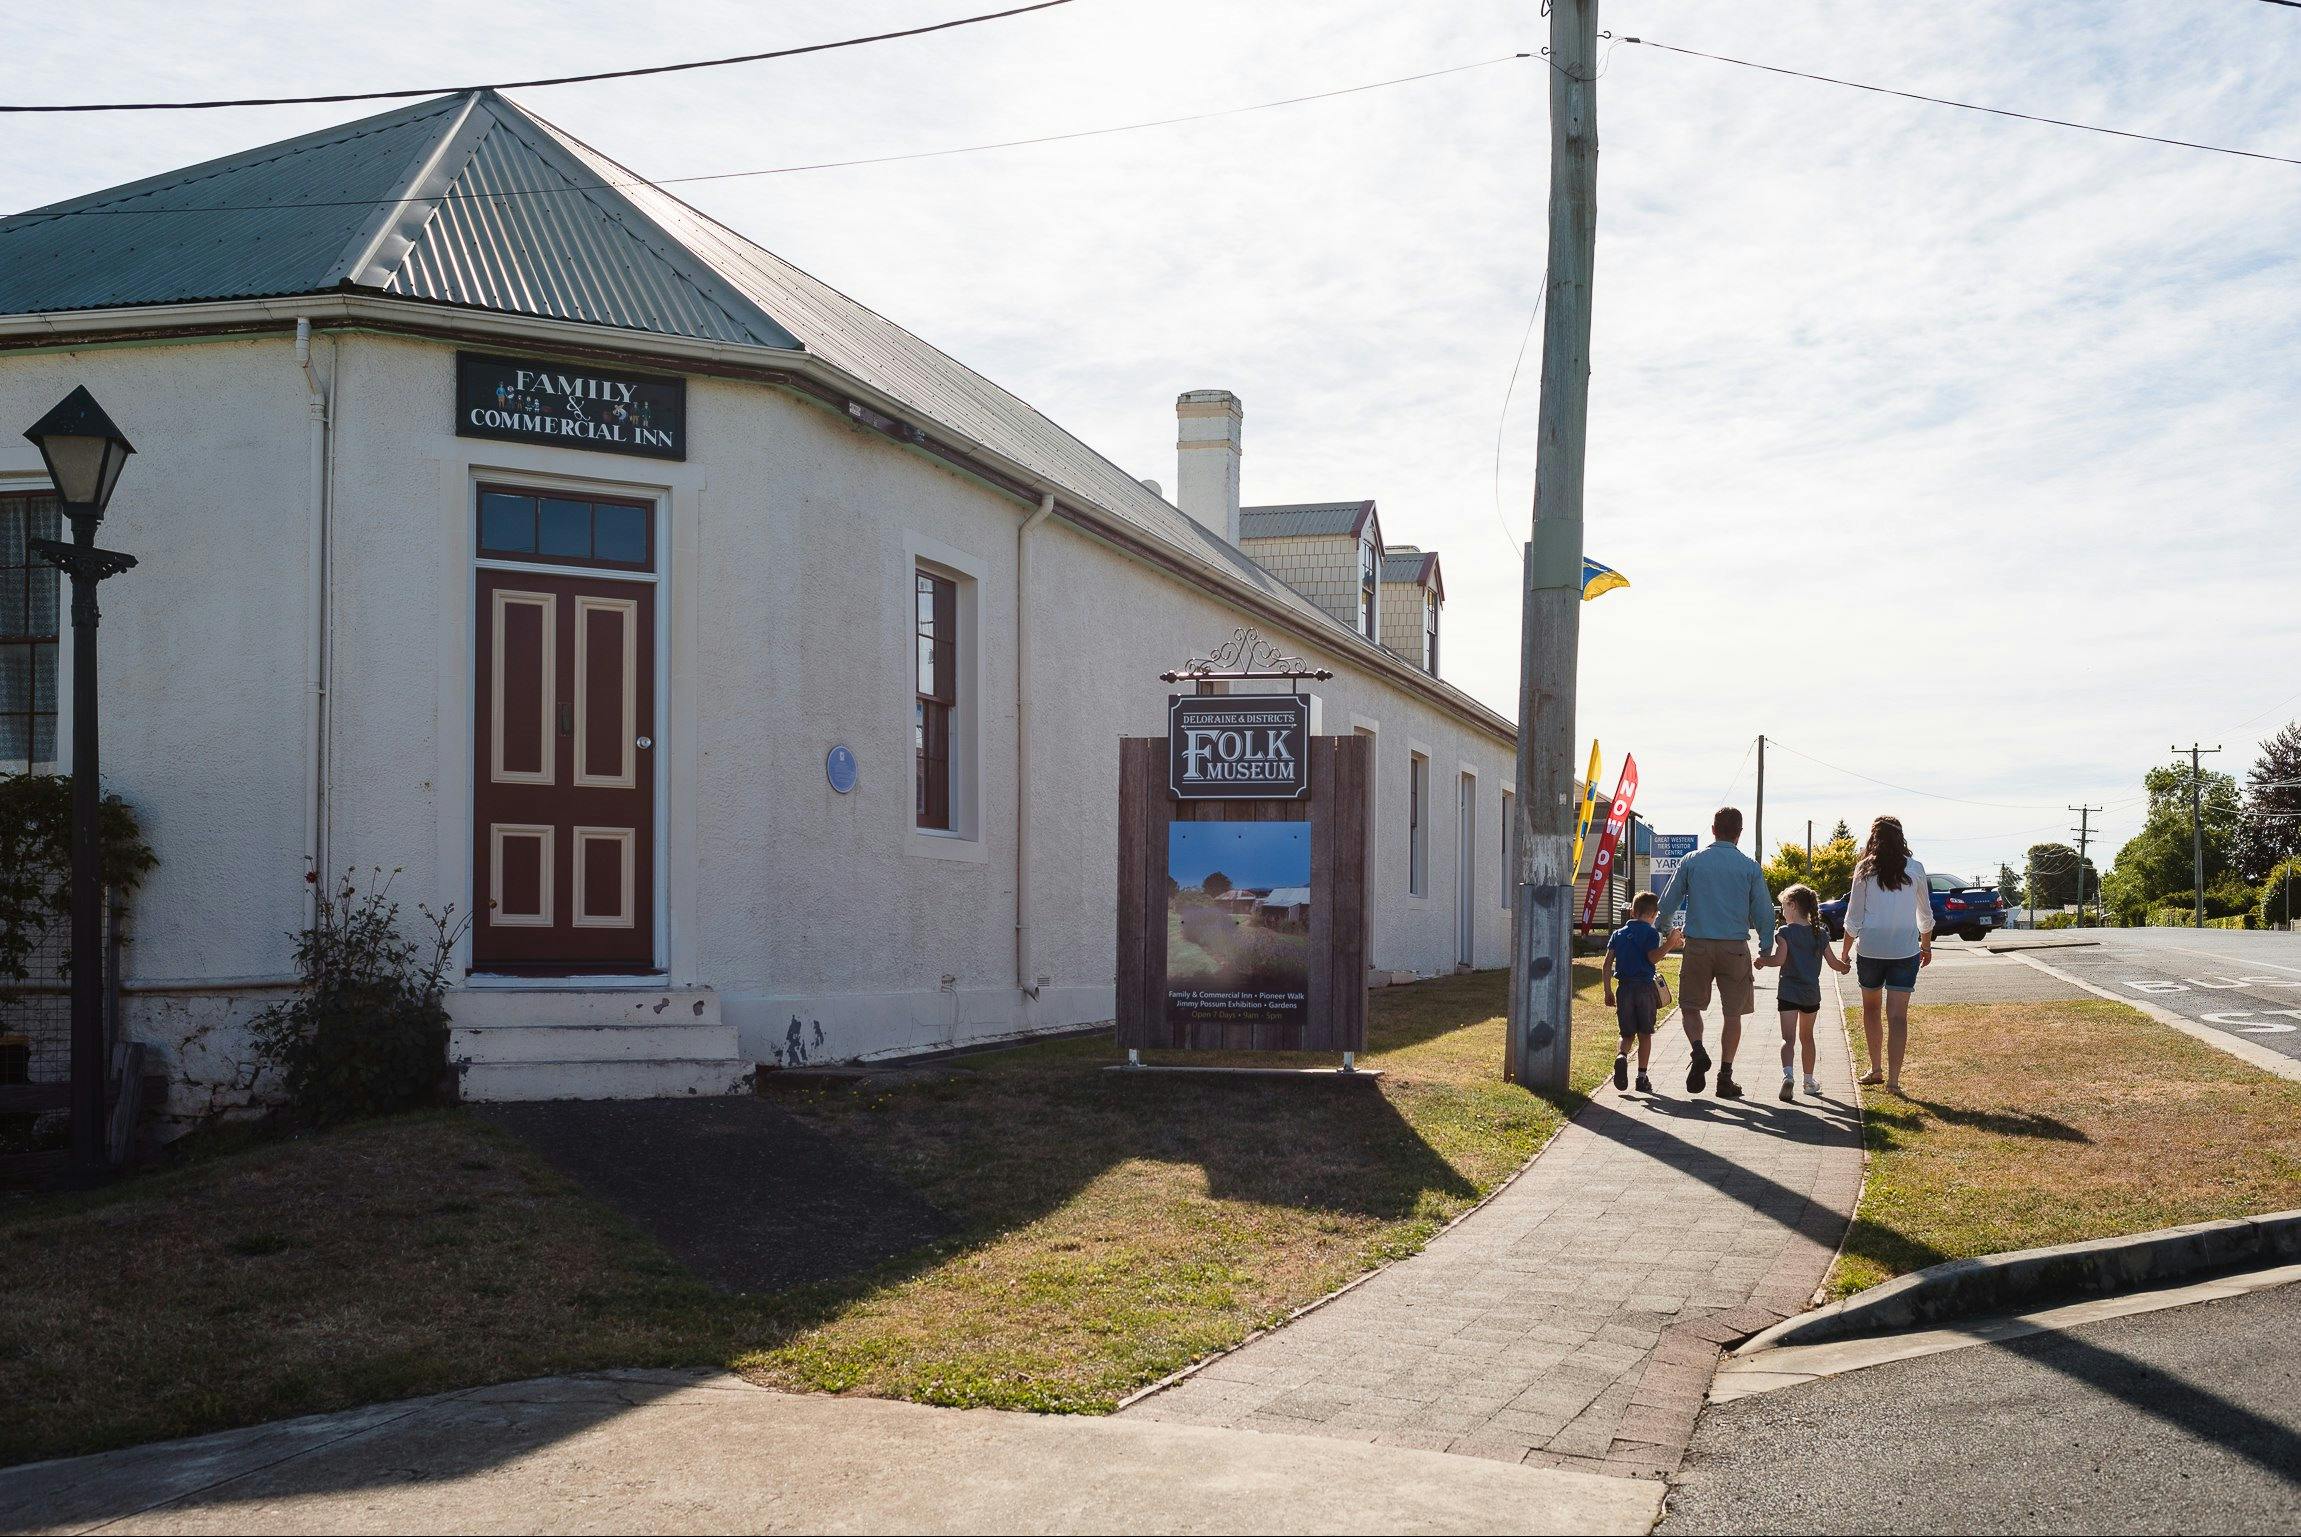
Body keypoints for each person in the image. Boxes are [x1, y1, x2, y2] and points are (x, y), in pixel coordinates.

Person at [1654, 806, 1775, 1100]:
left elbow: (1668, 901)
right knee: (1733, 1014)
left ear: (1713, 829)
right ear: (1740, 833)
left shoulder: (1692, 861)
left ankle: (1698, 1050)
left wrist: (1664, 927)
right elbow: (1763, 911)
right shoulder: (1749, 867)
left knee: (1690, 1006)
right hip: (1735, 949)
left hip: (1698, 946)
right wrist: (1766, 945)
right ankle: (1725, 1077)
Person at [1839, 815, 1932, 1092]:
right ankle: (1893, 1081)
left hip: (1870, 949)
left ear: (1874, 837)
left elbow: (1853, 918)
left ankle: (1876, 1069)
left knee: (1871, 1009)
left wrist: (1844, 952)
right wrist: (1925, 946)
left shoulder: (1864, 869)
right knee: (1898, 1016)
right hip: (1905, 950)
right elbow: (1925, 916)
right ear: (1900, 836)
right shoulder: (1915, 868)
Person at [1756, 883, 1850, 1101]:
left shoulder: (1785, 933)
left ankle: (1788, 1076)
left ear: (1792, 905)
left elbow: (1779, 960)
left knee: (1787, 1038)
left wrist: (1762, 961)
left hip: (1788, 992)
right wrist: (1845, 967)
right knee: (1807, 1037)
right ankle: (1809, 1080)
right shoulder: (1820, 934)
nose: (1782, 913)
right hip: (1810, 994)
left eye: (1783, 907)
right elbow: (1834, 963)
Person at [1603, 891, 1681, 1094]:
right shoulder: (1651, 933)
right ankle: (1642, 1077)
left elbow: (1606, 963)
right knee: (1645, 1034)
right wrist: (1670, 944)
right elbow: (1652, 958)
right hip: (1645, 988)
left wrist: (1607, 991)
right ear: (1654, 914)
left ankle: (1621, 1056)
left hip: (1624, 988)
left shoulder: (1617, 934)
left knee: (1626, 1033)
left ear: (1633, 911)